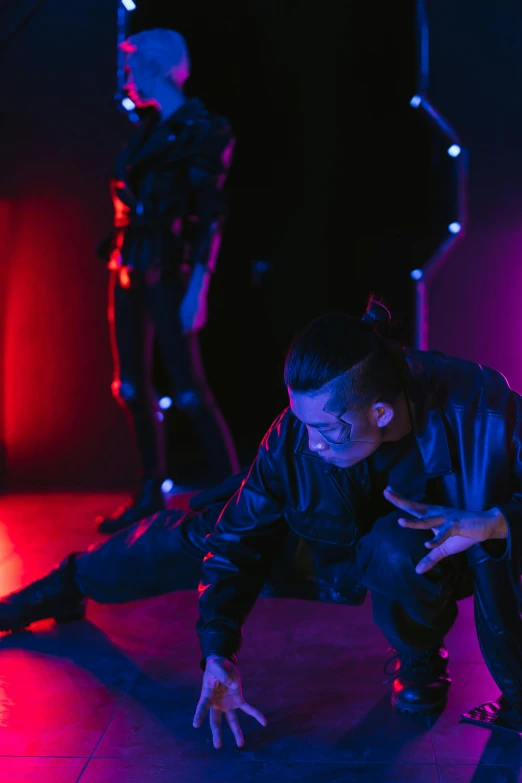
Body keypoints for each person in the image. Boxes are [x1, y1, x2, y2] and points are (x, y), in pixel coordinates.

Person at [1, 300, 522, 746]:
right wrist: (218, 651)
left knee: (396, 549)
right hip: (322, 537)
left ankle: (420, 657)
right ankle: (61, 587)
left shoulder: (481, 409)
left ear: (381, 414)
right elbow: (232, 547)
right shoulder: (295, 438)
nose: (312, 445)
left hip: (445, 550)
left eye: (327, 431)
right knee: (182, 542)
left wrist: (498, 522)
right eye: (303, 423)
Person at [96, 28, 239, 534]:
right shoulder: (146, 132)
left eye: (132, 69)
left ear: (157, 67)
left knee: (189, 387)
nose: (127, 80)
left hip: (169, 267)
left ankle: (234, 498)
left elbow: (210, 214)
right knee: (131, 383)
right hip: (129, 262)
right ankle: (150, 488)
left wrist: (199, 284)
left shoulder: (205, 129)